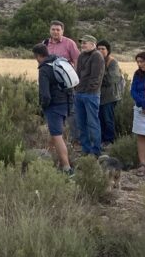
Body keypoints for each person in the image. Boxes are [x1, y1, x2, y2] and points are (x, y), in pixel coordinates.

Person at [35, 44, 73, 175]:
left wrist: (43, 107)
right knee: (55, 133)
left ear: (38, 56)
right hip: (65, 103)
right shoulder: (58, 62)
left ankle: (67, 168)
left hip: (54, 106)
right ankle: (51, 160)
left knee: (57, 136)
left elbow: (45, 94)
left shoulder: (44, 69)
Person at [74, 35, 105, 156]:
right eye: (81, 43)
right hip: (79, 93)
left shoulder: (97, 55)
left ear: (93, 44)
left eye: (85, 43)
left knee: (92, 123)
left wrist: (88, 89)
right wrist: (77, 88)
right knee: (81, 123)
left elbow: (96, 77)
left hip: (91, 94)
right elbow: (77, 73)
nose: (82, 45)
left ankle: (95, 150)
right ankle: (85, 149)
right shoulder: (82, 55)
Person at [96, 40, 123, 145]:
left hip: (109, 96)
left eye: (103, 49)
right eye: (98, 49)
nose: (100, 51)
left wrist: (97, 78)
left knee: (108, 119)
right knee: (99, 119)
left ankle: (109, 141)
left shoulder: (112, 62)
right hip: (97, 96)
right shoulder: (95, 61)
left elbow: (111, 79)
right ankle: (101, 140)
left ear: (108, 50)